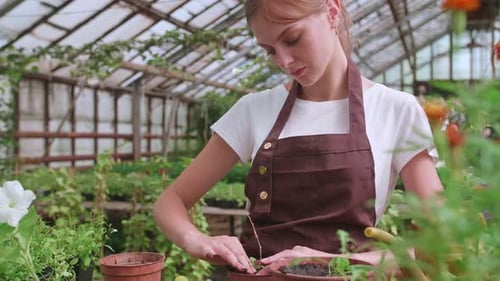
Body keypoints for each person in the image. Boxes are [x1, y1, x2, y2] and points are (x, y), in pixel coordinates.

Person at [152, 0, 443, 274]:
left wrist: (333, 261)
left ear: (331, 11)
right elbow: (170, 202)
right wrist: (198, 240)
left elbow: (441, 244)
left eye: (292, 39)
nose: (284, 61)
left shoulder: (396, 110)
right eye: (270, 50)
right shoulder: (254, 109)